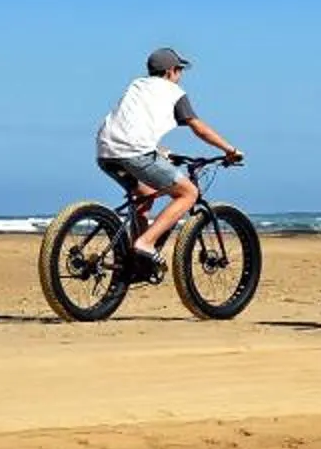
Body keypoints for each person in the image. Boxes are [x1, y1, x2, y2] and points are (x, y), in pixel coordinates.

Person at [93, 47, 242, 277]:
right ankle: (145, 243)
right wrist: (229, 150)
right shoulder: (174, 92)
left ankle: (137, 264)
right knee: (188, 193)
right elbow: (197, 127)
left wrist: (162, 151)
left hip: (105, 150)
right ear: (171, 71)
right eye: (180, 70)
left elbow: (130, 126)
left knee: (145, 194)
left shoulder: (137, 86)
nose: (180, 75)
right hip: (134, 152)